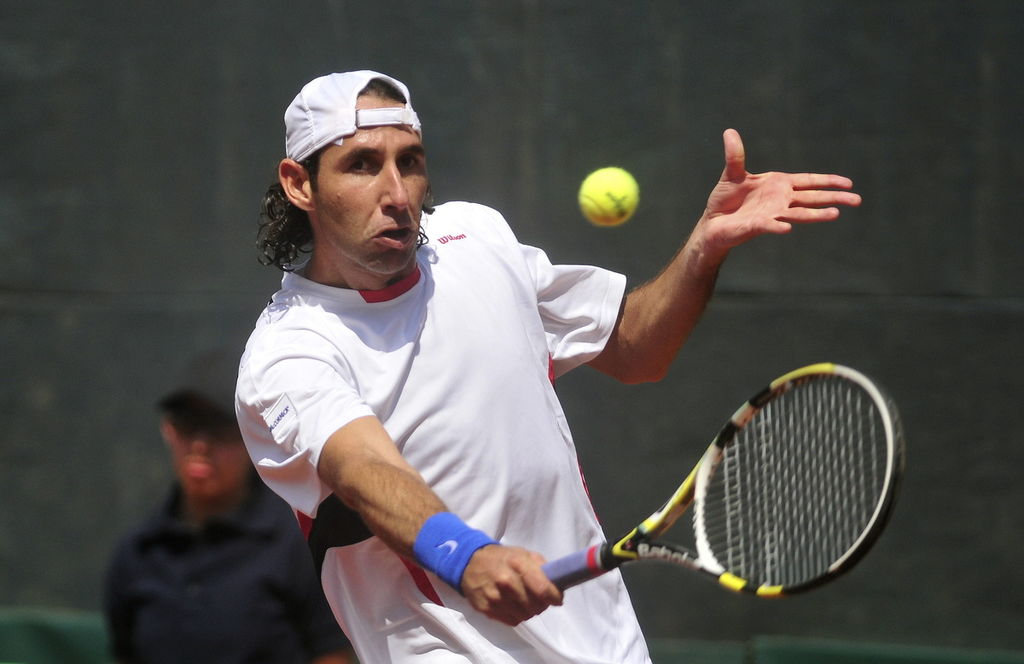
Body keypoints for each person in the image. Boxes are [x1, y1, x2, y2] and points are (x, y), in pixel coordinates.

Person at [235, 70, 861, 663]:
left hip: (607, 646)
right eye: (362, 165)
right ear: (300, 184)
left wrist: (704, 248)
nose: (398, 194)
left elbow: (635, 348)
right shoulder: (289, 351)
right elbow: (363, 469)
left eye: (411, 162)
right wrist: (468, 557)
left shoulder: (474, 239)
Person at [103, 352, 353, 664]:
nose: (200, 445)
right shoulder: (136, 552)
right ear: (168, 430)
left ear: (254, 435)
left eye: (220, 427)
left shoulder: (297, 545)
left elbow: (331, 655)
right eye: (187, 425)